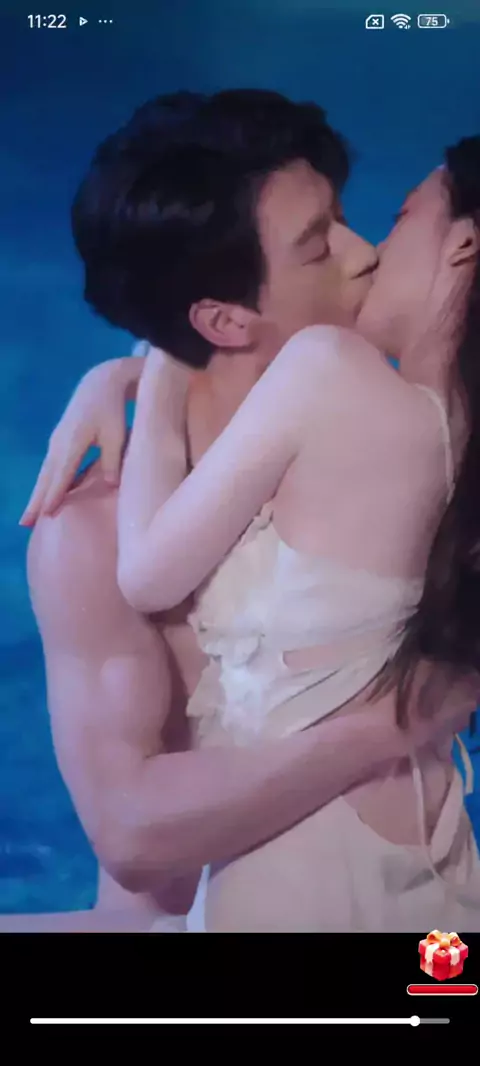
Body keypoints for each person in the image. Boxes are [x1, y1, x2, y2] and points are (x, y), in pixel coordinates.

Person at [15, 92, 479, 932]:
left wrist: (138, 368)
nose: (367, 256)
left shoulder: (404, 444)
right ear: (225, 319)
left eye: (348, 219)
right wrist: (385, 729)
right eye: (320, 246)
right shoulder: (90, 535)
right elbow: (133, 835)